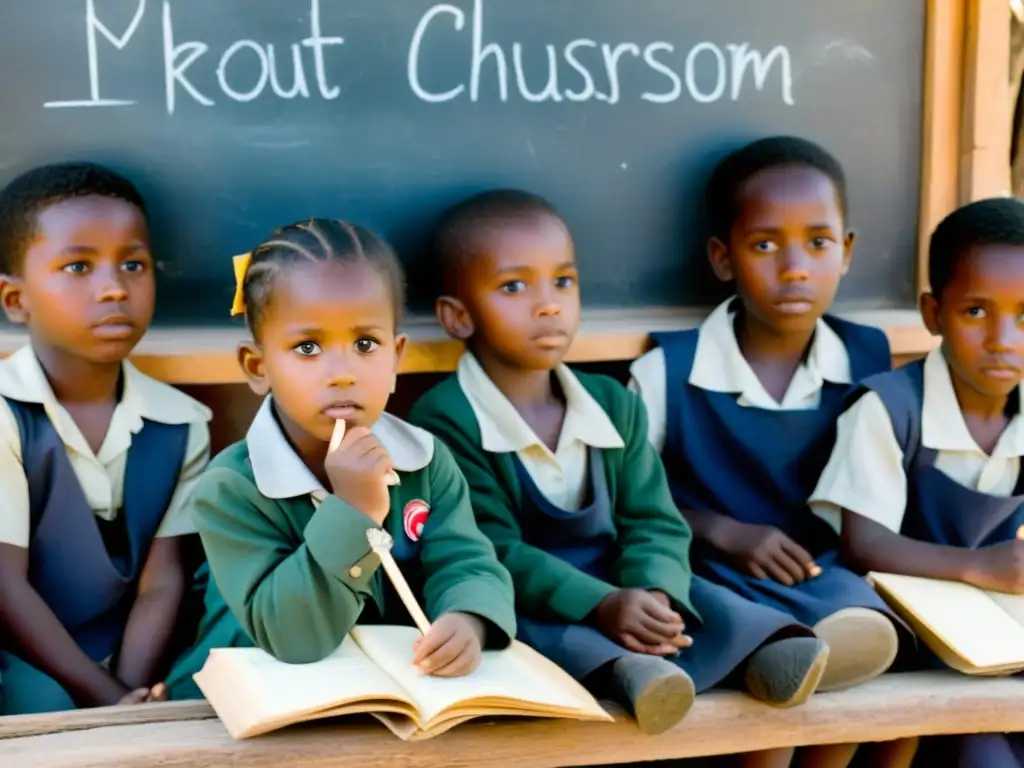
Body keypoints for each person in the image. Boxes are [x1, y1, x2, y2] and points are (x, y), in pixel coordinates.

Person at [409, 189, 832, 767]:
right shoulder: (445, 418)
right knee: (550, 635)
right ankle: (634, 674)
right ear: (457, 316)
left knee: (707, 601)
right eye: (514, 287)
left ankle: (762, 651)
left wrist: (654, 591)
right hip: (538, 594)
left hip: (622, 579)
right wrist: (603, 603)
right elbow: (494, 549)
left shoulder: (612, 403)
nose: (549, 305)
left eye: (563, 282)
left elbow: (652, 519)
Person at [629, 138, 915, 768]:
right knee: (726, 611)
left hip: (819, 572)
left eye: (817, 243)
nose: (794, 268)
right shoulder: (667, 373)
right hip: (710, 567)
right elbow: (631, 501)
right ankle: (773, 650)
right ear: (722, 258)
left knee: (855, 613)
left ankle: (818, 647)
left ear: (846, 252)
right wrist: (723, 531)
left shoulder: (869, 361)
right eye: (765, 245)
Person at [165, 218, 515, 699]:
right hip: (248, 701)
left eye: (365, 344)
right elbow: (290, 638)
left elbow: (468, 562)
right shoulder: (230, 489)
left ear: (396, 357)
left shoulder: (427, 461)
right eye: (307, 347)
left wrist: (468, 618)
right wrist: (352, 513)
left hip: (386, 693)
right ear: (258, 366)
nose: (343, 372)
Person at [812, 197, 1024, 767]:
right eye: (976, 312)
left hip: (1006, 646)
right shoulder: (890, 408)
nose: (1004, 338)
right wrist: (980, 567)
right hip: (913, 640)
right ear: (934, 314)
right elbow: (864, 544)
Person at [0, 162, 211, 713]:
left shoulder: (181, 421)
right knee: (39, 703)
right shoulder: (6, 409)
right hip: (22, 654)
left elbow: (161, 581)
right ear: (15, 301)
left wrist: (130, 692)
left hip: (130, 660)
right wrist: (104, 699)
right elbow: (5, 586)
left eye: (134, 264)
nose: (115, 288)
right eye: (78, 266)